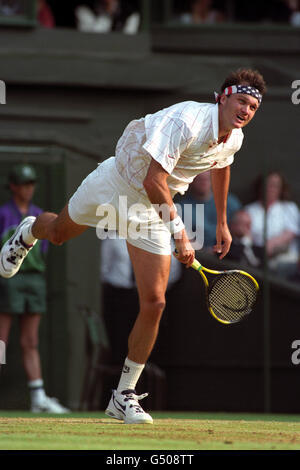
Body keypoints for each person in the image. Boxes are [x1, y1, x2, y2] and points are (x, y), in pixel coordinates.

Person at [0, 68, 266, 424]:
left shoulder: (234, 137)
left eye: (253, 106)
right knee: (60, 232)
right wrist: (180, 234)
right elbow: (152, 178)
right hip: (116, 186)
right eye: (241, 101)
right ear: (222, 96)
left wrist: (220, 221)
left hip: (151, 212)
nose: (246, 110)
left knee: (155, 302)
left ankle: (123, 395)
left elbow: (221, 167)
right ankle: (30, 231)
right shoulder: (185, 122)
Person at [0, 164, 69, 413]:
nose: (28, 189)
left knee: (30, 341)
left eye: (31, 184)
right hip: (7, 280)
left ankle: (38, 398)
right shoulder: (2, 214)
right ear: (13, 187)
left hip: (34, 281)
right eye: (23, 184)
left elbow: (44, 251)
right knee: (1, 341)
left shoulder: (40, 215)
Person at [245, 171, 300, 278]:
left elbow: (291, 233)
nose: (270, 188)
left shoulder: (289, 207)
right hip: (257, 263)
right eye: (268, 184)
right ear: (260, 186)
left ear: (281, 189)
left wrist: (271, 244)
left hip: (287, 259)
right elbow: (246, 236)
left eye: (275, 185)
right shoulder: (249, 210)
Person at [177, 170, 241, 250]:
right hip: (199, 254)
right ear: (191, 181)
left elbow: (241, 228)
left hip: (230, 251)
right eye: (199, 179)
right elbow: (182, 238)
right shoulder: (182, 207)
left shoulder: (229, 202)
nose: (203, 183)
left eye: (206, 179)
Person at [75, 0, 140, 34]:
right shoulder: (85, 9)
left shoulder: (130, 13)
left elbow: (127, 42)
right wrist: (106, 14)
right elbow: (92, 39)